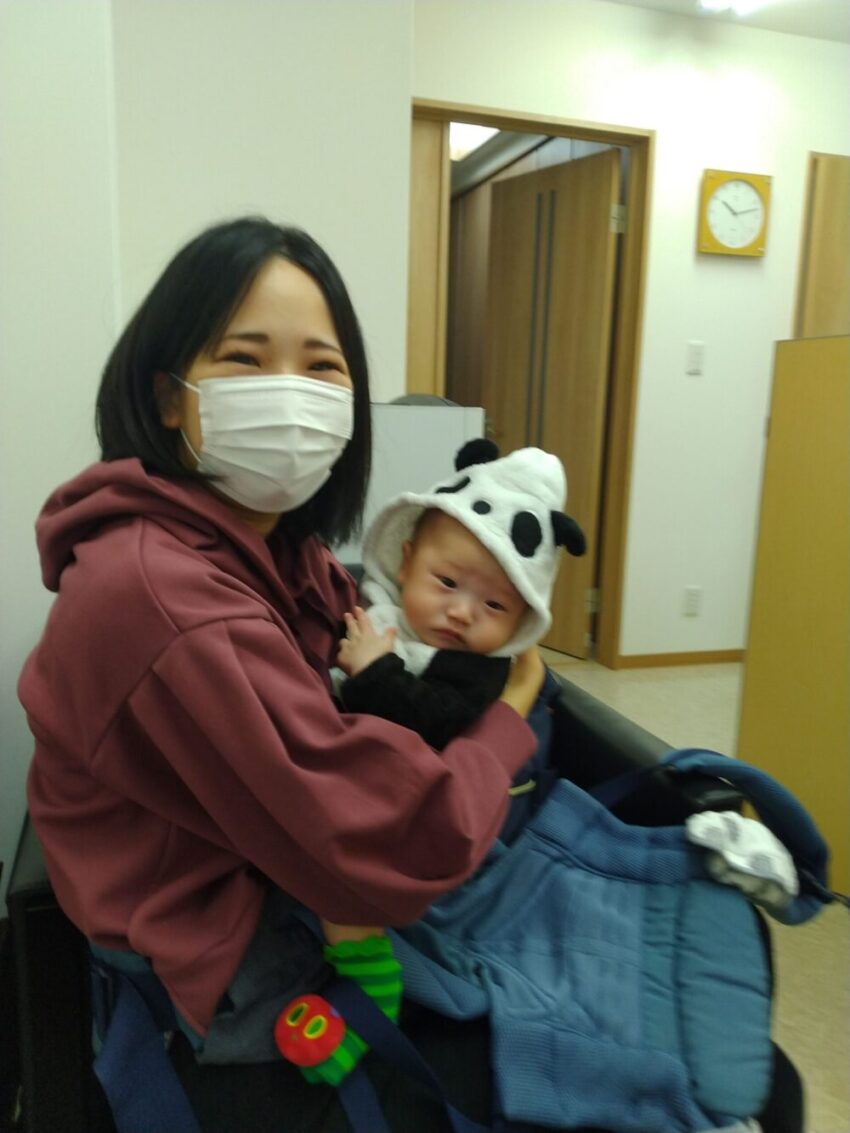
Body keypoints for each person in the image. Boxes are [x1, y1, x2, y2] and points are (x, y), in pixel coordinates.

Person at [17, 216, 547, 1132]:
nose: (292, 396)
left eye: (322, 366)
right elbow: (396, 840)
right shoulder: (172, 599)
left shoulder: (280, 549)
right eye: (246, 358)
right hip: (222, 946)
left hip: (287, 867)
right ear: (170, 396)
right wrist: (515, 709)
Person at [335, 439, 587, 841]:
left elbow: (438, 722)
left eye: (494, 604)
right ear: (406, 563)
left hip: (423, 821)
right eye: (448, 582)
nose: (462, 613)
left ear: (522, 621)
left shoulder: (479, 669)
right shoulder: (376, 607)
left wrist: (373, 672)